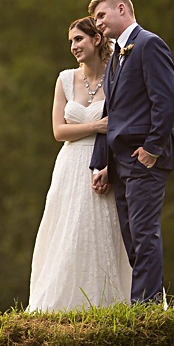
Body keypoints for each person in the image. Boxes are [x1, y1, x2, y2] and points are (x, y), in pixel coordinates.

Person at [27, 17, 132, 312]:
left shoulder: (117, 76)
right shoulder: (64, 80)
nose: (73, 46)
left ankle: (109, 301)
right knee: (67, 232)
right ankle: (62, 304)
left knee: (100, 231)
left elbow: (124, 126)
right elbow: (58, 131)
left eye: (78, 39)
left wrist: (112, 163)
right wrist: (96, 126)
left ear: (96, 39)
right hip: (70, 165)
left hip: (103, 164)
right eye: (71, 41)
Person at [88, 0, 174, 304]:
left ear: (122, 9)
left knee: (144, 233)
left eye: (101, 15)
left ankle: (147, 308)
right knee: (131, 236)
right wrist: (102, 163)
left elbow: (166, 102)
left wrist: (152, 149)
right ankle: (150, 303)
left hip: (145, 157)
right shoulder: (116, 58)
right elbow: (109, 114)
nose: (97, 22)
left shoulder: (149, 45)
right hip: (120, 161)